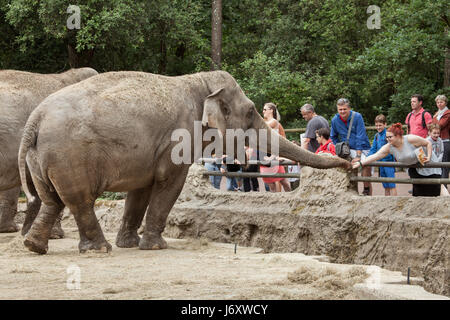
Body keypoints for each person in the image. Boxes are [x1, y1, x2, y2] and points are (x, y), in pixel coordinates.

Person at [352, 123, 441, 197]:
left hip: (428, 164)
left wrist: (429, 157)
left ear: (398, 136)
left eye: (390, 137)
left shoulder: (410, 139)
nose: (387, 140)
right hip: (415, 167)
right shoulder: (389, 147)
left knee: (434, 189)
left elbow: (428, 143)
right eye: (386, 138)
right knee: (419, 193)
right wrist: (360, 163)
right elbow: (376, 155)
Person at [330, 98, 372, 195]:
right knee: (345, 167)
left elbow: (360, 136)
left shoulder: (357, 117)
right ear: (337, 109)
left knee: (365, 164)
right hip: (347, 149)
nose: (342, 111)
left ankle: (366, 189)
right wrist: (339, 148)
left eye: (344, 109)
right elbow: (333, 136)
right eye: (340, 109)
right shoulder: (335, 120)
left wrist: (358, 155)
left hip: (361, 147)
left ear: (349, 108)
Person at [260, 102, 291, 192]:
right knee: (270, 182)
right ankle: (275, 201)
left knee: (282, 180)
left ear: (271, 110)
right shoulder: (264, 122)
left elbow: (261, 129)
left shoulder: (273, 122)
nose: (263, 111)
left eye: (265, 109)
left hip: (275, 153)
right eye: (263, 109)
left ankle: (289, 196)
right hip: (266, 153)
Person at [368, 115, 397, 196]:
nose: (378, 127)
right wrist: (367, 158)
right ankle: (387, 202)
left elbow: (393, 147)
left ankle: (395, 203)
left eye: (380, 125)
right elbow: (373, 149)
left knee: (392, 185)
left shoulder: (388, 135)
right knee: (385, 186)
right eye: (376, 125)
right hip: (381, 164)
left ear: (385, 124)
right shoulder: (376, 136)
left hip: (388, 163)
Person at [431, 95, 450, 187]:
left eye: (441, 102)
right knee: (437, 163)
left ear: (445, 103)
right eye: (438, 102)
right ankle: (438, 186)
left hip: (446, 140)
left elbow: (440, 125)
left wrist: (434, 123)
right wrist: (434, 124)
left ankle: (444, 186)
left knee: (444, 164)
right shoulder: (437, 113)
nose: (439, 104)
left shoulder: (447, 113)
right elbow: (432, 126)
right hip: (437, 140)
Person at [426, 123, 449, 196]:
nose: (436, 135)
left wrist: (438, 160)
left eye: (438, 133)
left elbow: (442, 151)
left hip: (438, 163)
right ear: (429, 132)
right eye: (434, 133)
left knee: (439, 179)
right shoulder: (426, 141)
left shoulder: (440, 140)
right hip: (430, 164)